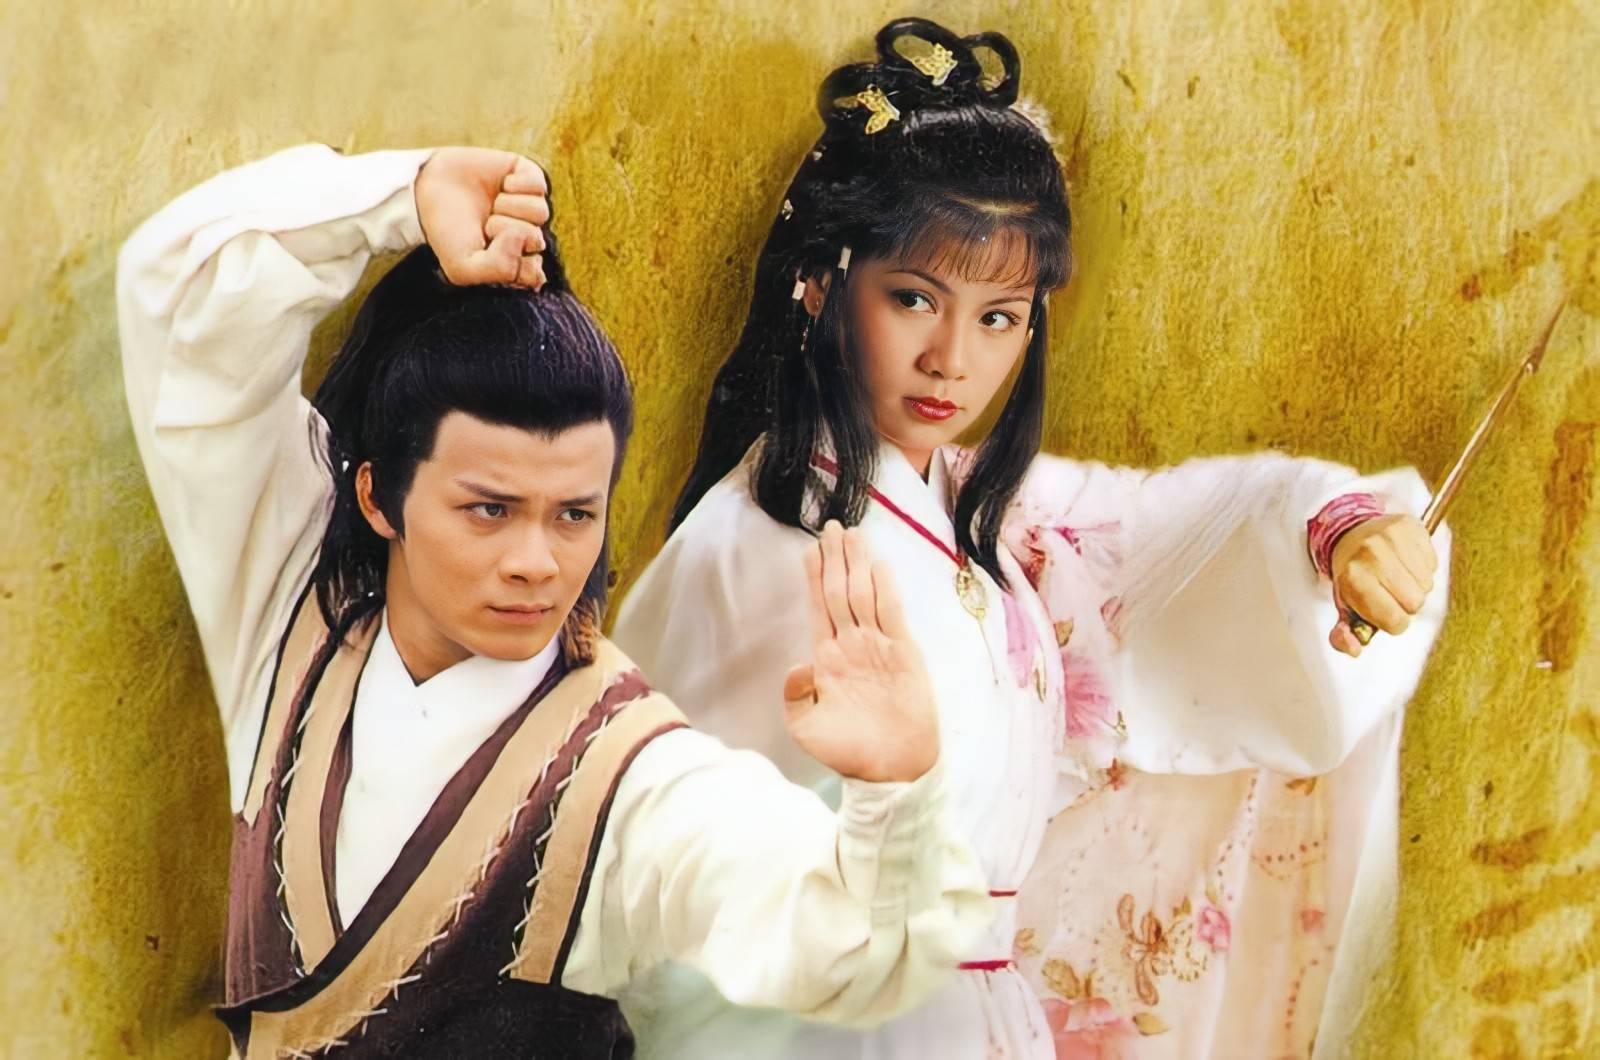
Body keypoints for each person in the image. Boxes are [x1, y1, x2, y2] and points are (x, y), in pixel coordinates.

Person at [612, 17, 1449, 1058]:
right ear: (821, 282)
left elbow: (1172, 532)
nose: (950, 359)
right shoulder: (757, 544)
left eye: (999, 316)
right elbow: (678, 897)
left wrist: (1340, 534)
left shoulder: (971, 510)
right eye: (912, 299)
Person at [116, 141, 992, 1057]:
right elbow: (176, 306)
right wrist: (405, 197)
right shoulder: (294, 610)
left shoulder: (627, 775)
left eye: (575, 514)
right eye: (488, 510)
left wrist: (896, 792)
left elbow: (839, 947)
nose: (536, 563)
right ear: (377, 496)